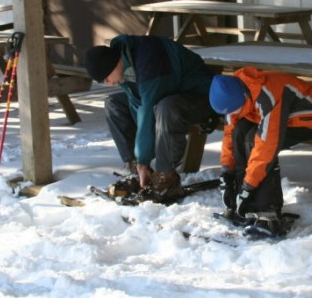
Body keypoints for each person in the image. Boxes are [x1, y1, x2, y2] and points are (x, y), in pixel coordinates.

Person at [85, 34, 215, 201]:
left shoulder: (149, 60)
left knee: (165, 108)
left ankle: (165, 176)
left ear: (112, 65)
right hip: (171, 95)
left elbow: (147, 111)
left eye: (106, 78)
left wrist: (144, 158)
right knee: (114, 104)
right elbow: (137, 105)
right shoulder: (125, 64)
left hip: (203, 96)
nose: (109, 83)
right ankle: (137, 170)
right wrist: (140, 159)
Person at [209, 67, 312, 234]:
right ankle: (244, 207)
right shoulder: (233, 95)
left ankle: (268, 212)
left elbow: (266, 147)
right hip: (273, 116)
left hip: (309, 118)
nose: (234, 114)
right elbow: (230, 135)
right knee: (239, 132)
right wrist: (227, 173)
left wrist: (249, 186)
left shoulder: (267, 96)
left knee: (254, 142)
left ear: (244, 97)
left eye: (236, 110)